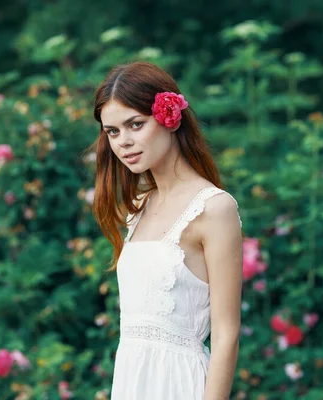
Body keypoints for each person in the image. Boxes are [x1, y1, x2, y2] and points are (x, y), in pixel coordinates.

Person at [90, 61, 243, 400]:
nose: (124, 142)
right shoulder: (138, 208)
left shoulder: (214, 208)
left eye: (135, 124)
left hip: (179, 384)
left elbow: (227, 334)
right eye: (113, 131)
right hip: (131, 381)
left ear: (169, 118)